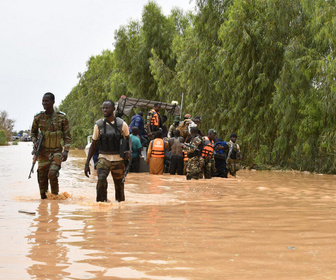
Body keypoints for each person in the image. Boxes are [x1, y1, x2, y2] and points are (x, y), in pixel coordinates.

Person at [84, 100, 132, 202]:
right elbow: (93, 144)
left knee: (119, 186)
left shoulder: (121, 124)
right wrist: (87, 162)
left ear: (113, 109)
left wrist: (129, 151)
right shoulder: (98, 125)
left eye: (107, 108)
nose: (104, 110)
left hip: (118, 159)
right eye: (103, 108)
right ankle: (101, 206)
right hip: (103, 158)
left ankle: (120, 208)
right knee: (101, 180)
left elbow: (128, 139)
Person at [31, 92, 72, 199]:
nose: (44, 103)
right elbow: (33, 133)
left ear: (53, 102)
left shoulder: (61, 118)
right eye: (43, 101)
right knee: (42, 178)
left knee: (52, 174)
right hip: (43, 153)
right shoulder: (38, 117)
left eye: (47, 101)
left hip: (56, 152)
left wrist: (66, 151)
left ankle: (55, 199)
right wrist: (35, 142)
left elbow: (67, 136)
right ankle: (43, 204)